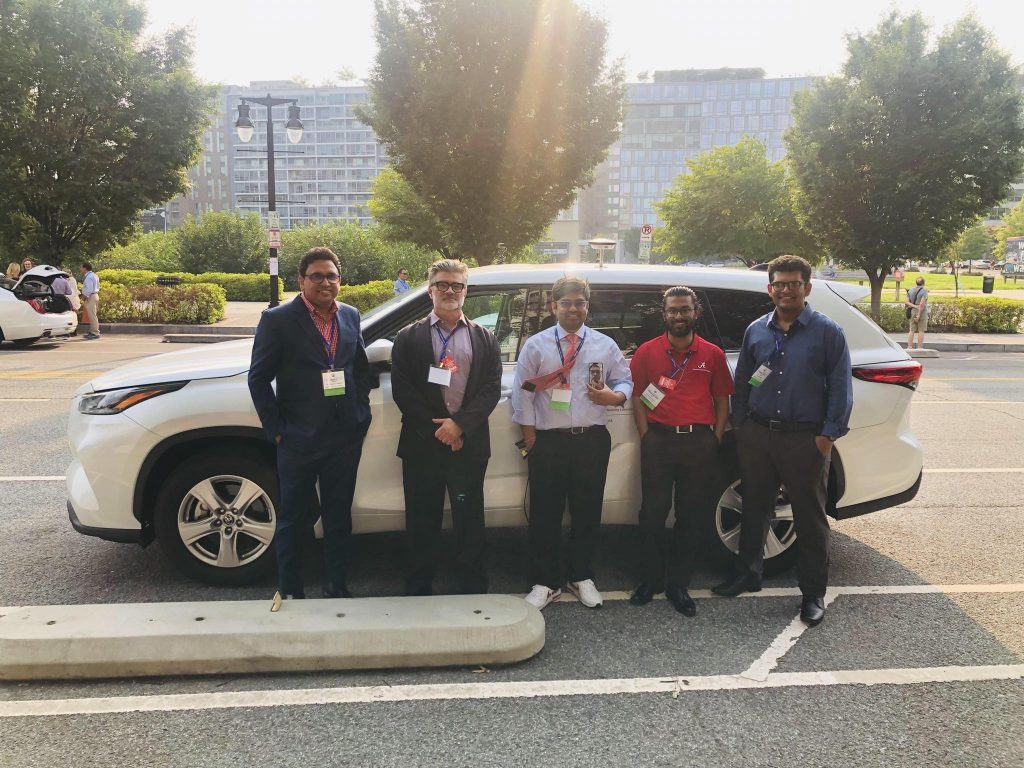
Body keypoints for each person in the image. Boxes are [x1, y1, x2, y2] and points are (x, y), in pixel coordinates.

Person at [713, 255, 852, 627]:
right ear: (769, 287)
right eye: (779, 283)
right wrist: (741, 425)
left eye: (793, 283)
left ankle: (812, 593)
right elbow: (743, 380)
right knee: (754, 508)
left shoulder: (827, 332)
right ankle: (749, 573)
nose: (786, 289)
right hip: (758, 435)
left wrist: (827, 437)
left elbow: (841, 389)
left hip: (804, 438)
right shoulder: (756, 329)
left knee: (810, 518)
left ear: (807, 287)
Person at [248, 247, 374, 600]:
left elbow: (359, 369)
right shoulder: (278, 320)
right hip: (297, 438)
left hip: (344, 437)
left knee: (338, 517)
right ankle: (290, 590)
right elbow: (258, 379)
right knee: (294, 519)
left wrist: (360, 412)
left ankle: (336, 586)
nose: (325, 282)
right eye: (316, 276)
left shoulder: (350, 316)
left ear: (340, 280)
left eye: (331, 276)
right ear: (301, 280)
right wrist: (276, 430)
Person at [512, 277, 633, 610]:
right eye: (566, 303)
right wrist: (530, 435)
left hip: (591, 439)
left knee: (587, 510)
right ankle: (546, 581)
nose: (573, 308)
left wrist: (616, 395)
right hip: (547, 440)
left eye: (579, 302)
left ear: (587, 307)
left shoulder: (603, 345)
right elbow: (522, 393)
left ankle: (581, 576)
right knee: (544, 513)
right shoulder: (536, 345)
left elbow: (625, 378)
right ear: (554, 307)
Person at [391, 259, 502, 596]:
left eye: (457, 285)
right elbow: (403, 391)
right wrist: (439, 429)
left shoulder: (485, 338)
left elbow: (490, 389)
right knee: (422, 516)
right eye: (443, 284)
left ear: (466, 292)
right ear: (430, 290)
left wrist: (459, 426)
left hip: (467, 444)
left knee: (469, 516)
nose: (450, 290)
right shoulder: (409, 338)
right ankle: (419, 580)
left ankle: (471, 580)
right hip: (423, 444)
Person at [628, 286, 734, 617]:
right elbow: (638, 397)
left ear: (695, 312)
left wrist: (715, 437)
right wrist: (646, 434)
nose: (678, 315)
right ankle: (650, 580)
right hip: (658, 440)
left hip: (698, 443)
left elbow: (721, 400)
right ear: (664, 314)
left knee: (690, 516)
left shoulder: (712, 354)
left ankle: (679, 585)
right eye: (673, 310)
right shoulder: (646, 352)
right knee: (652, 514)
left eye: (684, 309)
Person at [905, 277, 928, 350]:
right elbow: (921, 304)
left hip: (912, 311)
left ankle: (909, 347)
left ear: (916, 283)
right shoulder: (924, 291)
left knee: (912, 330)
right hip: (921, 312)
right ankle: (920, 347)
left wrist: (914, 306)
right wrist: (918, 314)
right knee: (921, 330)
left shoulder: (910, 290)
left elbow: (907, 302)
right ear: (923, 283)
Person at [80, 262, 100, 340]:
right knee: (93, 315)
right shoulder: (94, 275)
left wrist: (84, 297)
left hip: (91, 296)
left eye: (81, 267)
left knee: (92, 316)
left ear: (85, 268)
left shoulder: (88, 277)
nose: (80, 269)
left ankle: (95, 332)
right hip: (94, 295)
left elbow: (89, 289)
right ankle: (92, 331)